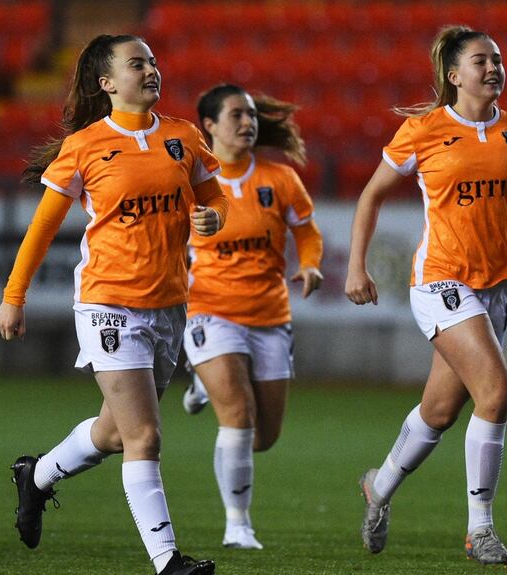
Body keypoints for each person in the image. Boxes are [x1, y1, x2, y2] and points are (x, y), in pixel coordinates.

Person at [0, 34, 228, 575]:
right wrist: (13, 297)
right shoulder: (86, 146)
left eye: (151, 61)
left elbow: (214, 201)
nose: (150, 70)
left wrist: (215, 218)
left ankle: (38, 475)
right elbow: (42, 229)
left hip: (169, 304)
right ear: (107, 82)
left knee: (115, 433)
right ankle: (167, 561)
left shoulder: (182, 136)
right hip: (109, 306)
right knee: (145, 436)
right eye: (136, 63)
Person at [345, 25, 507, 566]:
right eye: (481, 60)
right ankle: (480, 529)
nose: (493, 68)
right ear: (455, 75)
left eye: (498, 59)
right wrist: (357, 267)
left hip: (496, 286)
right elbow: (370, 197)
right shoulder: (425, 130)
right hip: (440, 280)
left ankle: (378, 487)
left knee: (439, 410)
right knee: (497, 394)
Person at [179, 83, 323, 550]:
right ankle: (238, 524)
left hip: (270, 317)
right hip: (210, 312)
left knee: (262, 437)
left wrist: (311, 263)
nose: (247, 123)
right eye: (237, 115)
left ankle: (204, 383)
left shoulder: (279, 179)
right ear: (209, 125)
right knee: (237, 417)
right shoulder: (190, 183)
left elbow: (307, 232)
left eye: (252, 115)